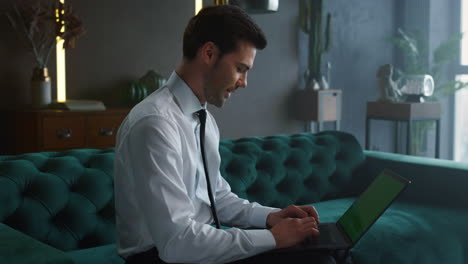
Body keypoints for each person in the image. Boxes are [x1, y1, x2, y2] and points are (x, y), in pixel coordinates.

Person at [114, 5, 340, 264]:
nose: (244, 82)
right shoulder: (154, 124)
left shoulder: (204, 119)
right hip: (160, 257)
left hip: (199, 243)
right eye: (240, 69)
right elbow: (176, 243)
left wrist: (270, 218)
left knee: (325, 250)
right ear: (209, 53)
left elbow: (216, 198)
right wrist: (275, 238)